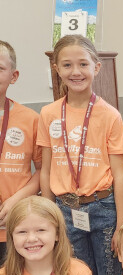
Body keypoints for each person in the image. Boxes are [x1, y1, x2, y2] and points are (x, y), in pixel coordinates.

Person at [37, 34, 123, 275]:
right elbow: (45, 169)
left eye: (83, 64)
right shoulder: (48, 114)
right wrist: (49, 217)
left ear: (96, 67)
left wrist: (121, 224)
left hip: (103, 208)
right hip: (65, 210)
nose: (75, 71)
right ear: (56, 69)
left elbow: (119, 175)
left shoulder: (110, 115)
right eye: (67, 65)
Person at [0, 41, 42, 262]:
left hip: (16, 225)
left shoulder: (31, 119)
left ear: (13, 76)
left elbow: (44, 172)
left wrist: (16, 199)